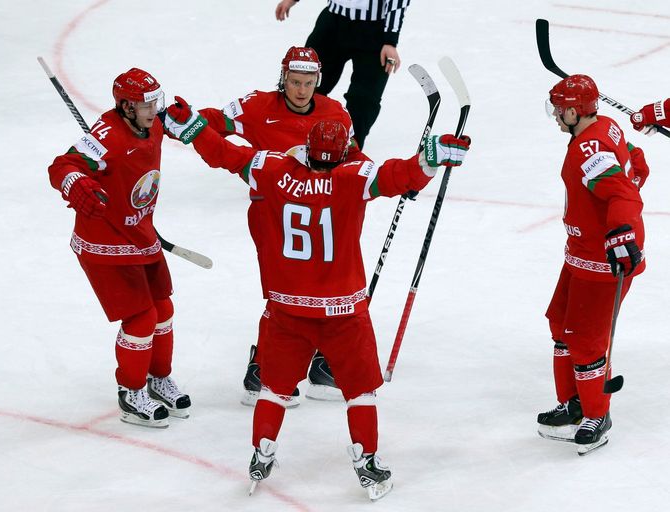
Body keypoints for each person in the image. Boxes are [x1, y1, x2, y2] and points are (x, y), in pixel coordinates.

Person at [159, 97, 470, 498]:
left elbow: (225, 153)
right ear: (341, 153)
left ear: (306, 148)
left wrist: (192, 129)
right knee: (360, 392)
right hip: (344, 309)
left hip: (287, 307)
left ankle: (261, 451)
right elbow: (398, 175)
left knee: (274, 388)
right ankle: (367, 462)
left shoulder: (270, 169)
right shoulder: (353, 177)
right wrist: (432, 157)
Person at [200, 46, 369, 406]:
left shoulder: (335, 112)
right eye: (294, 82)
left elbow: (353, 156)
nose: (301, 90)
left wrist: (383, 179)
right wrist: (179, 123)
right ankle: (262, 369)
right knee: (285, 292)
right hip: (273, 216)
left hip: (328, 213)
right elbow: (211, 121)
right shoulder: (257, 106)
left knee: (330, 284)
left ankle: (324, 361)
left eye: (309, 83)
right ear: (283, 78)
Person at [47, 68, 192, 428]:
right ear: (126, 106)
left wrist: (197, 122)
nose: (155, 109)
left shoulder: (154, 123)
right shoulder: (106, 135)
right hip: (105, 241)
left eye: (157, 101)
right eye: (148, 103)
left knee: (163, 308)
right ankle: (131, 393)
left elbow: (191, 127)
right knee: (141, 317)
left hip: (141, 234)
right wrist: (78, 184)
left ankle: (158, 378)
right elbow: (61, 165)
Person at [538, 74, 648, 455]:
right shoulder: (607, 127)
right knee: (559, 321)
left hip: (603, 262)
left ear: (572, 111)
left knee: (585, 339)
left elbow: (622, 191)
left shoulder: (587, 150)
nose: (554, 115)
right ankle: (573, 404)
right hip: (580, 254)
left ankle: (596, 414)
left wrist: (621, 232)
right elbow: (637, 161)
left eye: (558, 109)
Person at [275, 0, 411, 149]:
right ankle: (293, 135)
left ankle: (348, 148)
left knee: (364, 98)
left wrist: (390, 41)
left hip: (374, 31)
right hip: (333, 22)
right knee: (307, 81)